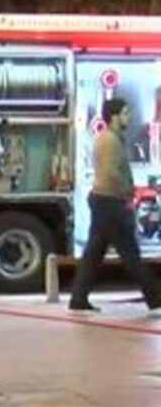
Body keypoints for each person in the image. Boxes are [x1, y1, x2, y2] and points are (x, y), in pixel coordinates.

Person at [69, 97, 161, 313]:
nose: (129, 117)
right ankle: (155, 297)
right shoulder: (110, 140)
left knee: (94, 254)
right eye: (125, 113)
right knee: (130, 253)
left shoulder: (109, 138)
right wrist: (130, 191)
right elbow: (111, 172)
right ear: (114, 116)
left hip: (103, 200)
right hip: (111, 203)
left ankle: (78, 298)